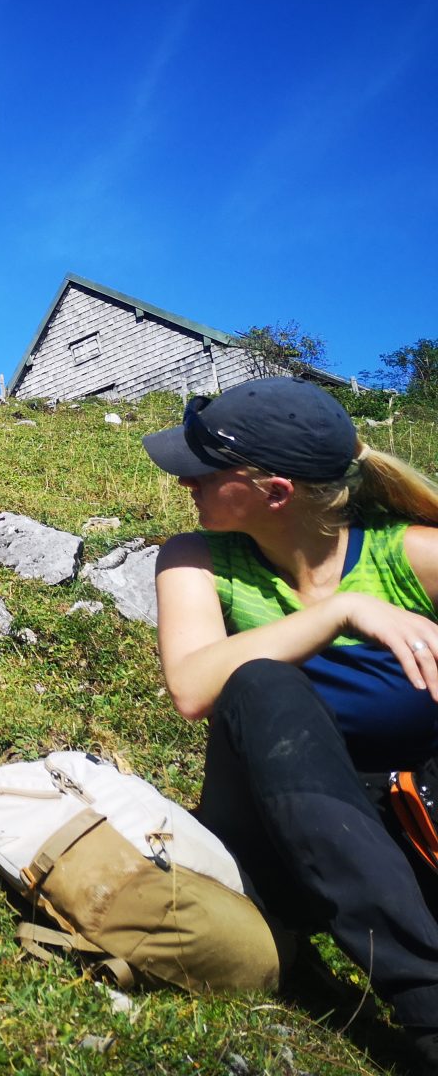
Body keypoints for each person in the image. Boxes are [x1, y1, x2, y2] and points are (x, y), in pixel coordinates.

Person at [146, 375, 438, 1057]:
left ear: (275, 492)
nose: (184, 483)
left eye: (204, 471)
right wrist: (341, 613)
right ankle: (428, 1004)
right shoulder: (195, 559)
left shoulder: (414, 556)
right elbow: (192, 687)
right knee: (260, 684)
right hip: (274, 840)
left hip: (412, 825)